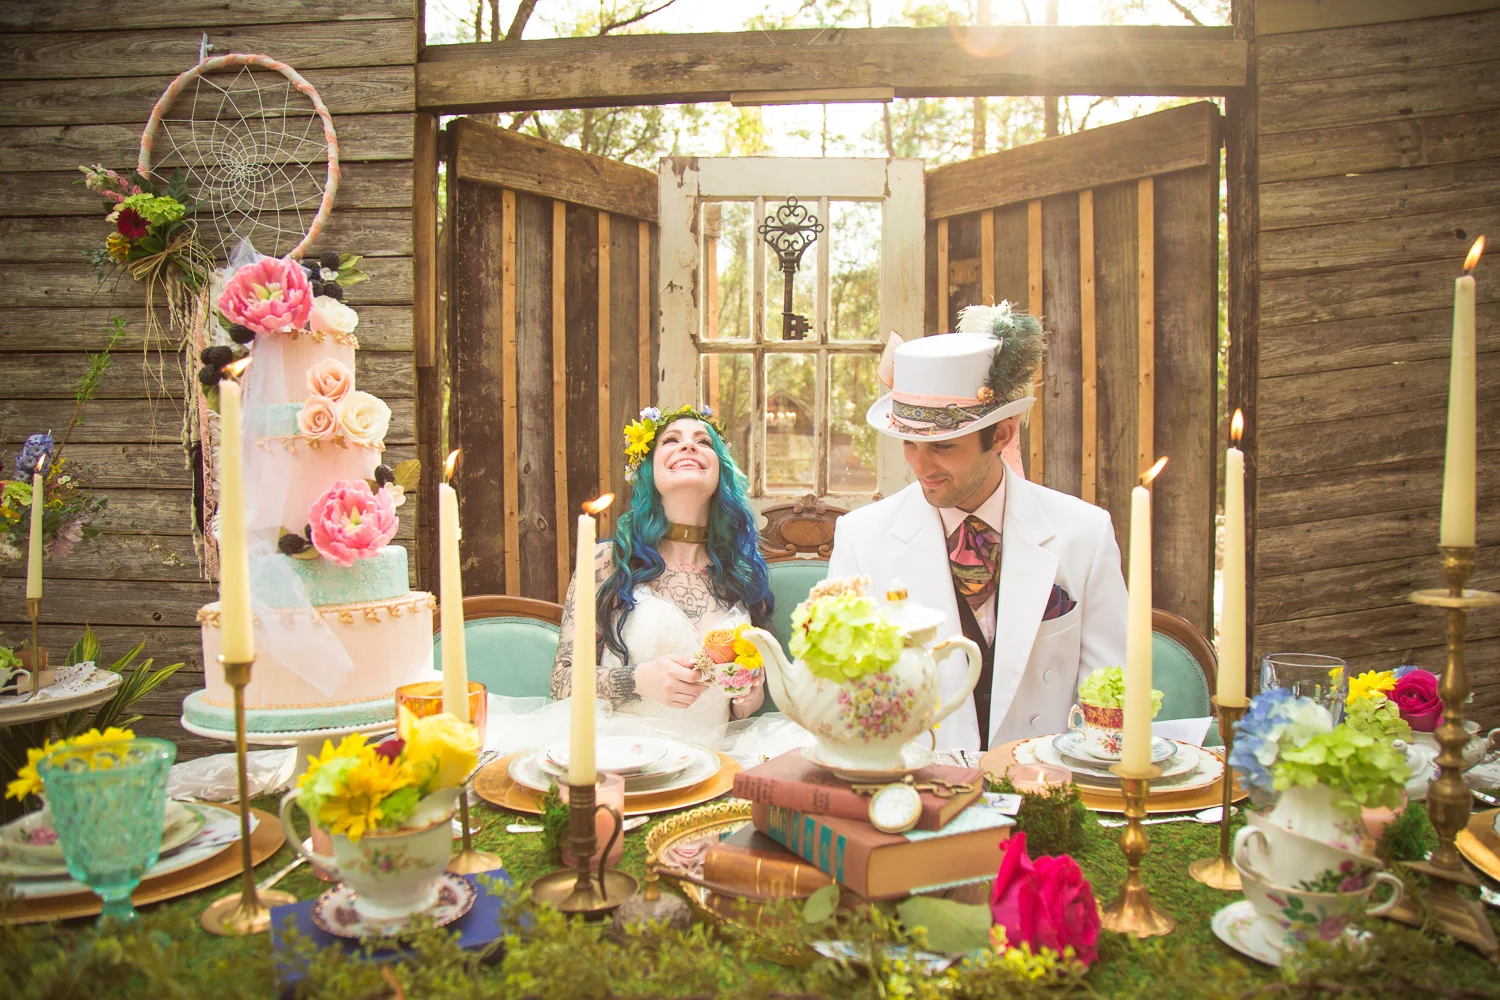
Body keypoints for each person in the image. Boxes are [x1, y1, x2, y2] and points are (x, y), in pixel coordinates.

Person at [827, 304, 1128, 751]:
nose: (919, 466)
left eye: (943, 447)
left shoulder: (1085, 532)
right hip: (916, 782)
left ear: (1001, 436)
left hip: (1045, 778)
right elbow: (838, 692)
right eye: (909, 443)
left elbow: (1110, 689)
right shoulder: (860, 537)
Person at [551, 405, 773, 727]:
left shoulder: (741, 572)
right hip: (626, 748)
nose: (689, 445)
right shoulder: (608, 561)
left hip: (718, 749)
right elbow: (561, 683)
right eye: (671, 440)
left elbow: (739, 700)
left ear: (720, 469)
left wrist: (748, 697)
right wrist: (637, 680)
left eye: (703, 441)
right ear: (648, 470)